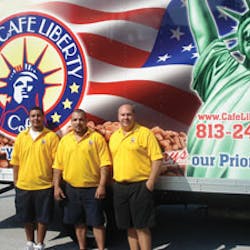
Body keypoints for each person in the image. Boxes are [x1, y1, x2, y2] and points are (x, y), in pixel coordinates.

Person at [186, 0, 250, 178]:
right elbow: (204, 35)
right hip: (209, 181)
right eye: (247, 34)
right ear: (242, 44)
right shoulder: (223, 72)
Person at [53, 109, 111, 250]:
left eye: (81, 120)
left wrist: (102, 185)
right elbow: (57, 166)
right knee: (78, 223)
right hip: (71, 188)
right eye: (75, 120)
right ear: (71, 122)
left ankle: (101, 248)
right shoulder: (65, 141)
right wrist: (56, 186)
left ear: (86, 121)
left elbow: (105, 164)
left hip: (92, 189)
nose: (78, 123)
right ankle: (82, 247)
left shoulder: (96, 138)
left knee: (97, 222)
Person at [109, 104, 163, 250]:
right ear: (118, 117)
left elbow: (157, 159)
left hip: (140, 186)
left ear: (134, 116)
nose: (125, 118)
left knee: (142, 226)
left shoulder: (144, 133)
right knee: (128, 227)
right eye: (122, 115)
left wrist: (150, 182)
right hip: (120, 187)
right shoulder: (114, 137)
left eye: (128, 115)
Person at [10, 106, 60, 250]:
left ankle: (40, 244)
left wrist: (54, 183)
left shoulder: (51, 137)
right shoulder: (21, 136)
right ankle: (30, 242)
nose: (36, 118)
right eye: (33, 116)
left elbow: (56, 163)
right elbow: (16, 162)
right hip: (24, 185)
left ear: (43, 118)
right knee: (26, 217)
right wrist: (16, 182)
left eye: (38, 116)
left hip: (44, 185)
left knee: (43, 218)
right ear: (29, 118)